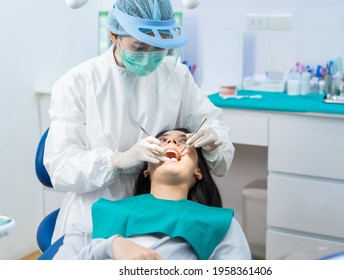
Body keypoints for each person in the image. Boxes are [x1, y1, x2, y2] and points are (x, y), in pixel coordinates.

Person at [44, 0, 235, 244]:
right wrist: (115, 162)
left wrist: (214, 144)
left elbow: (215, 133)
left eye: (159, 48)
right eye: (139, 46)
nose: (150, 56)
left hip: (164, 210)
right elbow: (60, 167)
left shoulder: (177, 76)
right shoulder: (77, 83)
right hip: (98, 209)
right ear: (113, 35)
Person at [53, 129, 250, 260]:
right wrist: (109, 247)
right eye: (162, 141)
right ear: (146, 166)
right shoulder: (101, 211)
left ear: (198, 170)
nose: (172, 141)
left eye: (184, 141)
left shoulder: (221, 223)